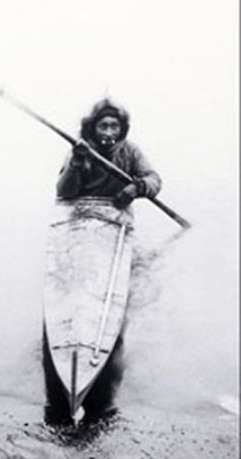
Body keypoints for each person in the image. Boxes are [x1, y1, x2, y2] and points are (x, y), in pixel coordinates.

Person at [44, 99, 162, 426]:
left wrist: (136, 188)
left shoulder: (131, 152)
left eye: (113, 127)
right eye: (102, 126)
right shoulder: (79, 151)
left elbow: (155, 179)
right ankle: (57, 399)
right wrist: (77, 164)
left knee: (108, 310)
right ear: (92, 129)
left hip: (114, 226)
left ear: (121, 129)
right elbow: (64, 192)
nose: (108, 133)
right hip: (76, 224)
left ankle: (103, 401)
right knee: (68, 306)